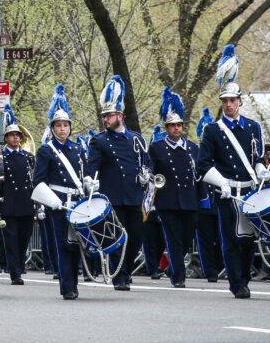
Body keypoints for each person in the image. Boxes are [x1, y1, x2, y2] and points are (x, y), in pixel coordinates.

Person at [197, 44, 269, 299]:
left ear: (240, 101)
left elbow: (257, 156)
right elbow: (203, 164)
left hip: (249, 190)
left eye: (232, 100)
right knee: (229, 239)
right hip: (227, 192)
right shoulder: (213, 130)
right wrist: (220, 183)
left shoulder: (253, 127)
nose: (228, 104)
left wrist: (261, 169)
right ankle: (237, 283)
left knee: (248, 238)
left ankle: (245, 277)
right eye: (225, 101)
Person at [86, 74, 150, 291]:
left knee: (136, 238)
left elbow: (147, 163)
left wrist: (146, 175)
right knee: (117, 239)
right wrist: (88, 180)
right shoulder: (99, 141)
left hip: (135, 196)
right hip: (112, 197)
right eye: (104, 116)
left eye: (109, 115)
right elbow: (91, 166)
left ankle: (126, 271)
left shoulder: (136, 139)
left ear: (120, 116)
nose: (105, 120)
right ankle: (119, 275)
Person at [31, 85, 85, 300]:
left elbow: (82, 174)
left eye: (65, 125)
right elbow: (38, 181)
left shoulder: (77, 148)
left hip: (77, 201)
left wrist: (88, 183)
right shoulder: (46, 150)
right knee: (63, 244)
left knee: (76, 244)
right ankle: (67, 286)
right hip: (58, 202)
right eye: (58, 125)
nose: (62, 129)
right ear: (52, 128)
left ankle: (75, 282)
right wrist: (51, 201)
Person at [148, 87, 199, 288]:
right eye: (172, 125)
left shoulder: (193, 148)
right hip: (167, 201)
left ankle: (172, 267)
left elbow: (199, 176)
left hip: (189, 199)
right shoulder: (157, 147)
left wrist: (203, 199)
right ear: (166, 127)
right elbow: (152, 172)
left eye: (179, 125)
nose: (176, 128)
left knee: (187, 238)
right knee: (175, 239)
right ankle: (178, 276)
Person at [0, 105, 34, 285]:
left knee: (24, 238)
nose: (15, 138)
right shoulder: (1, 157)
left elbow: (32, 179)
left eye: (18, 135)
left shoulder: (28, 157)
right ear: (6, 138)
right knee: (11, 241)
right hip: (9, 203)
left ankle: (19, 265)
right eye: (12, 135)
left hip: (26, 202)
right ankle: (15, 272)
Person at [192, 108, 223, 283]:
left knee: (221, 237)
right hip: (203, 202)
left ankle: (220, 267)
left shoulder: (220, 154)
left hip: (219, 200)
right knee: (205, 238)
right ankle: (210, 270)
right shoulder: (197, 154)